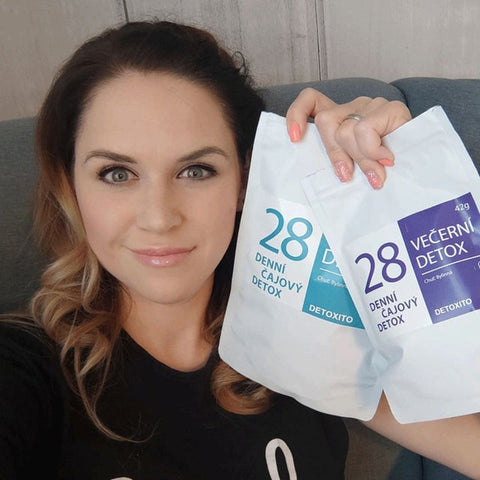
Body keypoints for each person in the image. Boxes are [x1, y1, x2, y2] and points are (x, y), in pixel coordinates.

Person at [0, 20, 478, 480]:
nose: (159, 218)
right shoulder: (24, 371)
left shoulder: (301, 335)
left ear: (245, 182)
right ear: (69, 185)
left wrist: (407, 185)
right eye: (117, 174)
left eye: (196, 171)